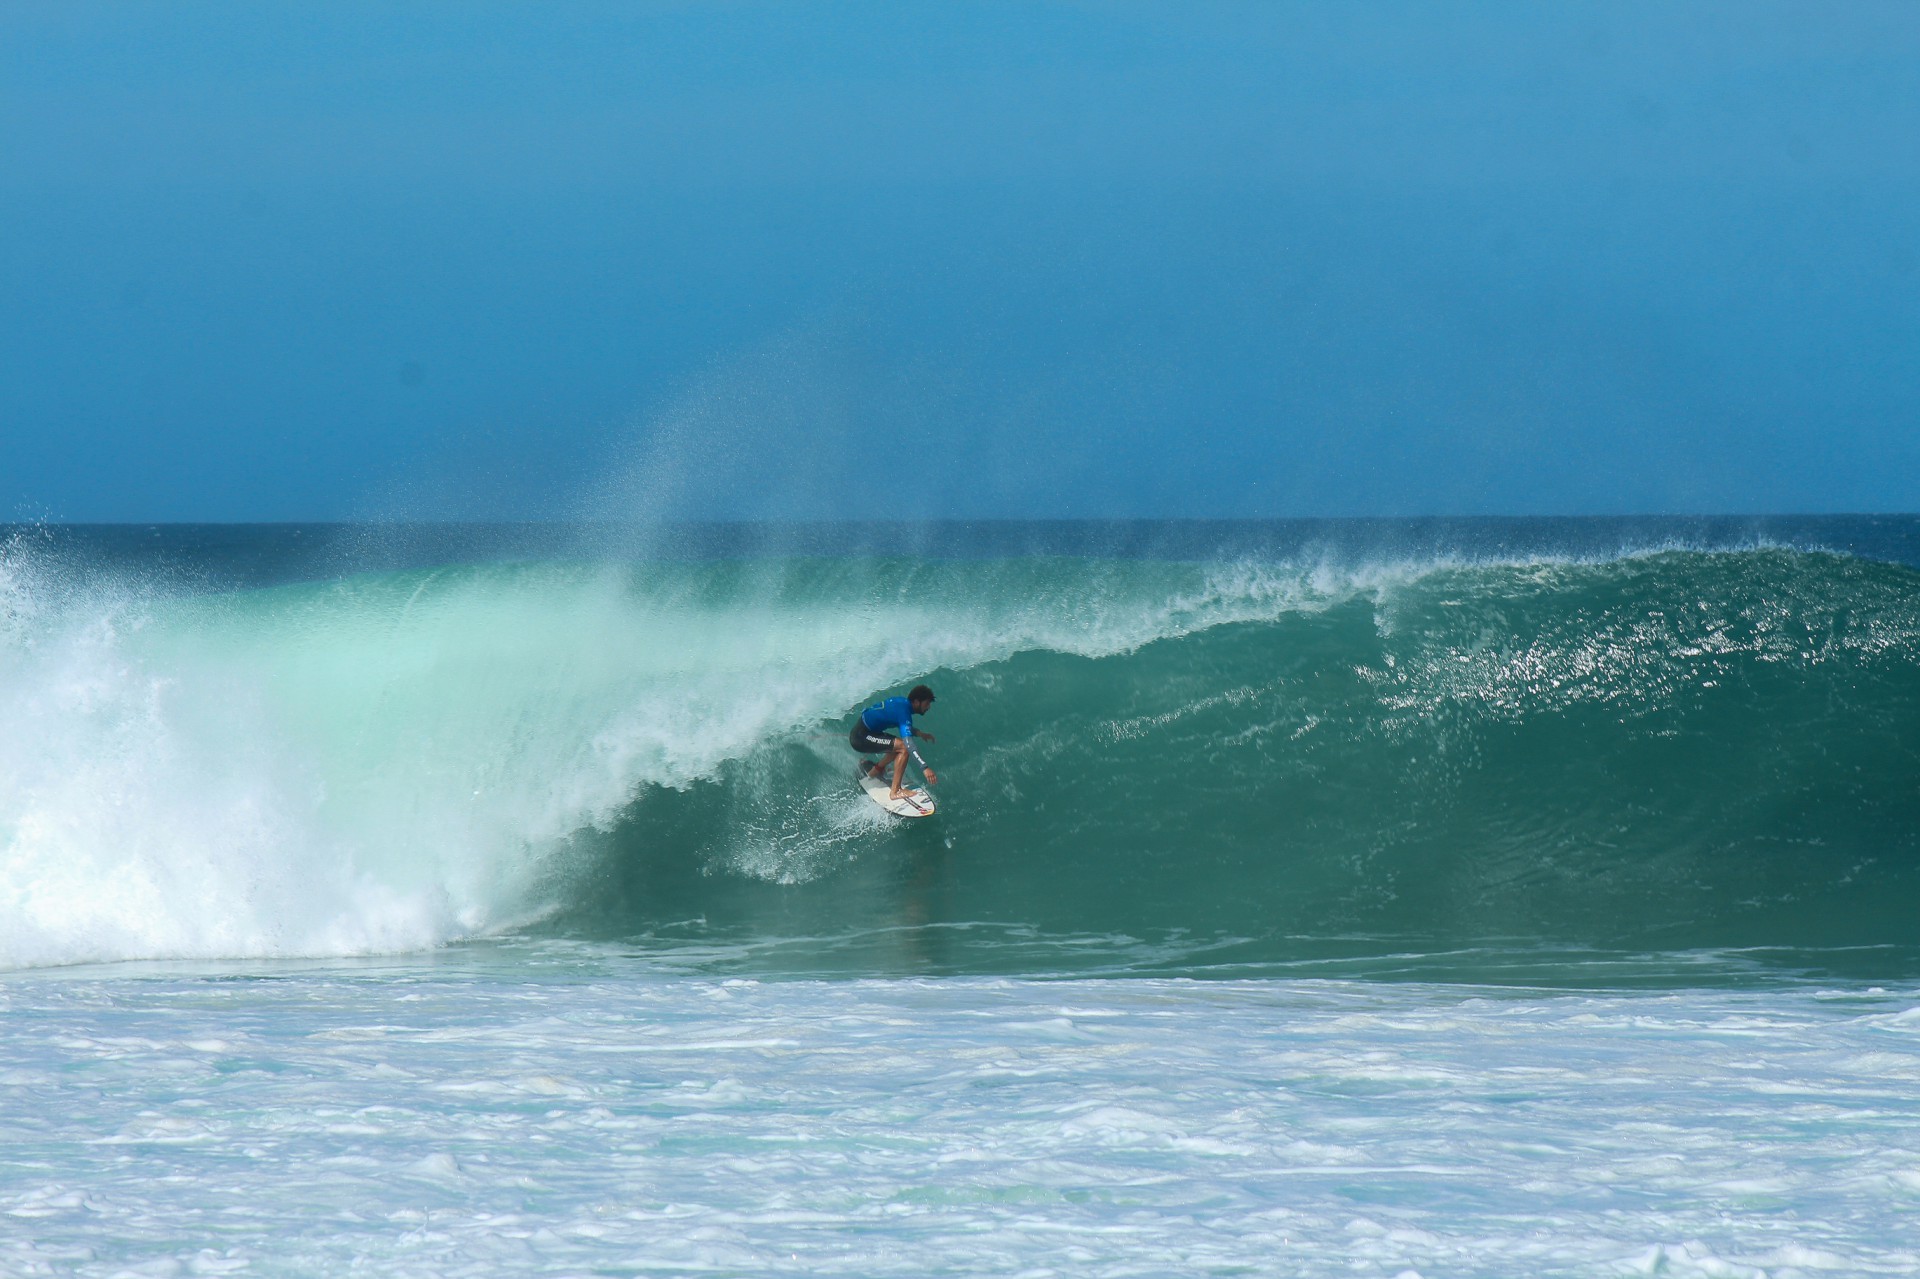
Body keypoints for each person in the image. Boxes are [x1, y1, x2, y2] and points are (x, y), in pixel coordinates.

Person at [850, 684, 938, 801]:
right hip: (861, 738)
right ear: (917, 702)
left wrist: (919, 733)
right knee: (904, 747)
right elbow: (908, 743)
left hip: (865, 732)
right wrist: (924, 767)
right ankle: (895, 791)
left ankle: (875, 771)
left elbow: (902, 724)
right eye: (927, 704)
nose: (928, 707)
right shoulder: (904, 712)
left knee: (898, 745)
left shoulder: (902, 703)